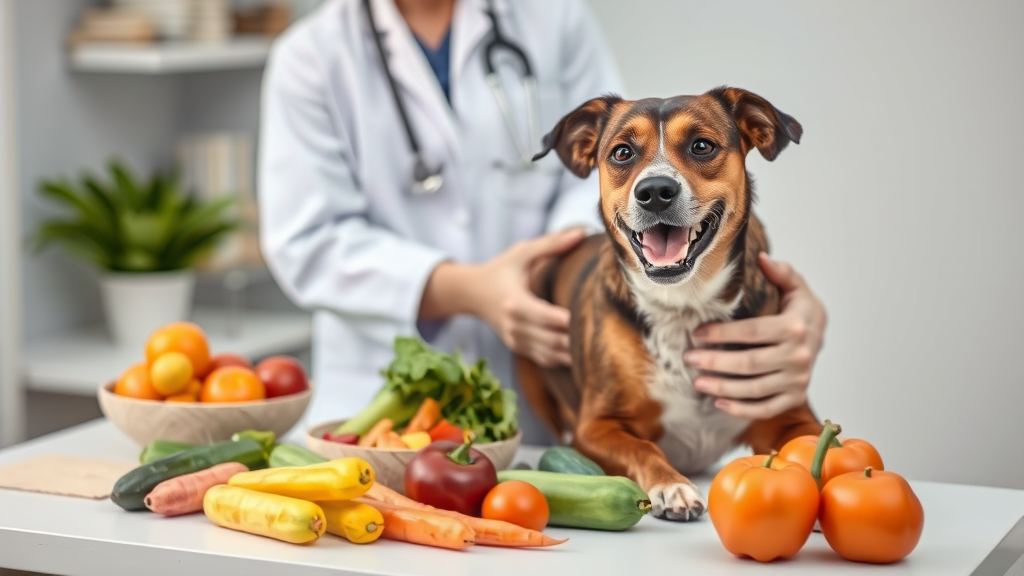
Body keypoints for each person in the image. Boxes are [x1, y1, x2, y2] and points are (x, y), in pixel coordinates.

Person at [257, 0, 828, 444]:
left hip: (548, 393)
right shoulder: (310, 56)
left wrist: (772, 297)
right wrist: (473, 291)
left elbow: (611, 177)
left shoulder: (551, 17)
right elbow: (307, 241)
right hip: (378, 395)